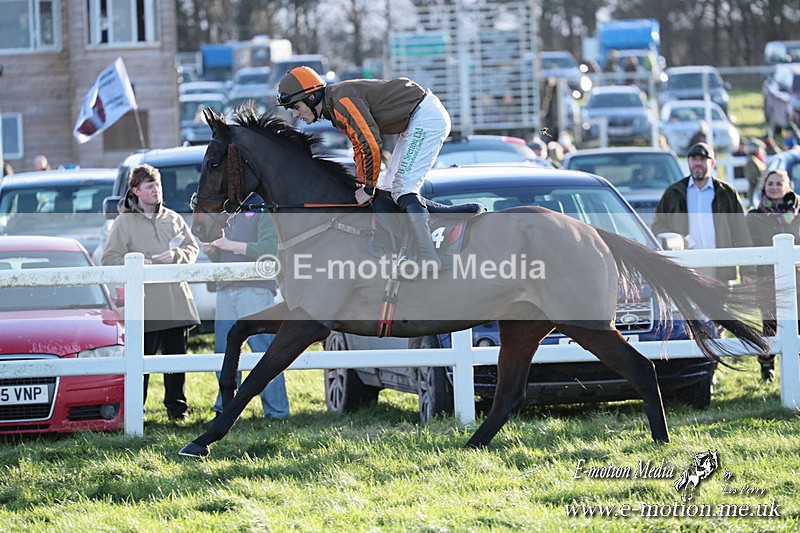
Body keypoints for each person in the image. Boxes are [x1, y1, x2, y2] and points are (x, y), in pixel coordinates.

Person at [276, 66, 449, 271]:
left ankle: (428, 257)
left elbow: (370, 143)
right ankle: (408, 248)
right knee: (389, 188)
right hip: (417, 118)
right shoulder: (334, 106)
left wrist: (367, 187)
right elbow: (360, 147)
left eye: (296, 107)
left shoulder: (341, 102)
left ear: (312, 98)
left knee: (403, 188)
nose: (296, 114)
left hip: (426, 117)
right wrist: (363, 183)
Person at [101, 164, 200, 420]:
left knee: (176, 360)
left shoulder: (174, 218)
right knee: (140, 361)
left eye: (158, 185)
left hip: (176, 300)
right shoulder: (124, 222)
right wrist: (136, 262)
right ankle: (136, 411)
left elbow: (192, 249)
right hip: (142, 303)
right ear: (136, 190)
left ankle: (177, 411)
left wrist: (176, 255)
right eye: (149, 186)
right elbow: (109, 260)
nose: (156, 191)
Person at [202, 192, 289, 420]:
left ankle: (277, 411)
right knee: (224, 351)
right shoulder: (228, 209)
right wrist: (214, 252)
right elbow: (223, 256)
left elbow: (269, 248)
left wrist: (229, 245)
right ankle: (225, 410)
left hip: (255, 288)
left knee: (265, 351)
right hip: (225, 288)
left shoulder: (263, 208)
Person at [651, 142, 753, 283]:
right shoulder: (674, 192)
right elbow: (658, 226)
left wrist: (747, 271)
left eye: (702, 159)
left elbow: (741, 232)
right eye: (694, 159)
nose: (698, 163)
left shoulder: (726, 193)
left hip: (719, 268)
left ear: (712, 163)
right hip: (686, 266)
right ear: (688, 162)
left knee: (717, 306)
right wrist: (676, 238)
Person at [746, 169, 800, 382]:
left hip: (797, 279)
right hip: (767, 279)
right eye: (771, 184)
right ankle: (766, 369)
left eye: (779, 183)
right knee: (769, 325)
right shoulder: (754, 217)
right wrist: (748, 274)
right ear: (764, 187)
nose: (775, 187)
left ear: (787, 186)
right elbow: (746, 247)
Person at [743, 137, 767, 205]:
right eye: (760, 148)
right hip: (755, 193)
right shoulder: (752, 161)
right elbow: (752, 178)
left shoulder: (756, 160)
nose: (762, 151)